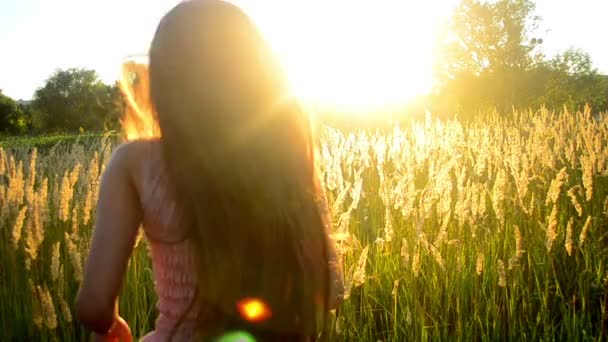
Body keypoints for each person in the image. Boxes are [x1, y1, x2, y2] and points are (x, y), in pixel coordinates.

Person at [75, 0, 344, 341]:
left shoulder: (134, 164)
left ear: (164, 81)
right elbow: (332, 290)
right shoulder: (287, 156)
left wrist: (117, 330)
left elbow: (94, 307)